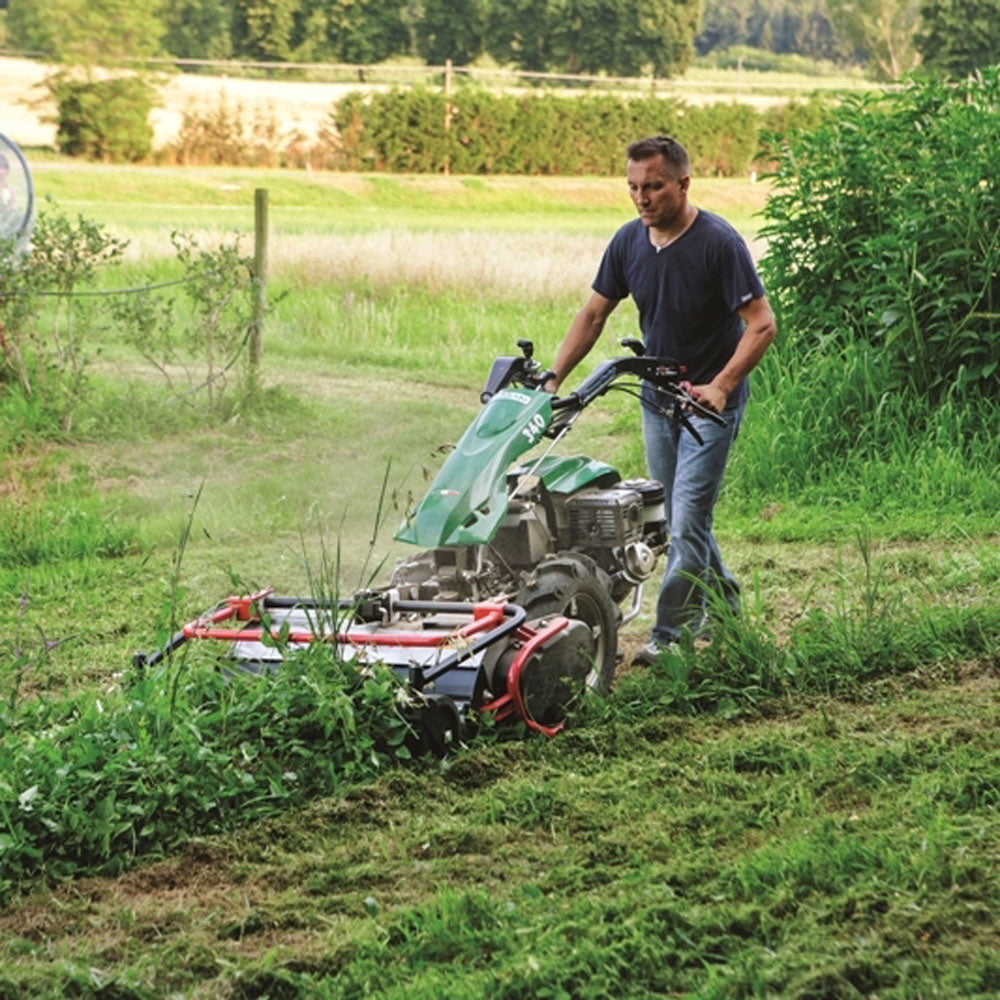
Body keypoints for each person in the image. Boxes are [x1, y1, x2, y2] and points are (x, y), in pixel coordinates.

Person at [544, 135, 776, 664]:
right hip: (657, 401)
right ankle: (727, 609)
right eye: (633, 187)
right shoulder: (629, 242)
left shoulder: (718, 243)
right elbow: (594, 314)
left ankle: (670, 636)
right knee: (678, 520)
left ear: (683, 184)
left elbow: (762, 324)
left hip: (708, 406)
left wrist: (722, 386)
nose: (641, 198)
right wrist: (555, 378)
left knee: (688, 519)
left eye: (653, 186)